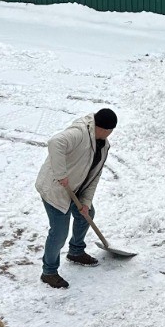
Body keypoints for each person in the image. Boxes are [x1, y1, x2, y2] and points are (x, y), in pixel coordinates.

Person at [35, 108, 116, 289]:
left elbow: (94, 177)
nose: (110, 135)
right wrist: (61, 174)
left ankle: (76, 251)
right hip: (55, 189)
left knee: (87, 213)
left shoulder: (103, 146)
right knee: (59, 232)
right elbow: (55, 142)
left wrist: (85, 202)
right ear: (102, 128)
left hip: (76, 188)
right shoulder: (80, 133)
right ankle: (49, 272)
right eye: (110, 131)